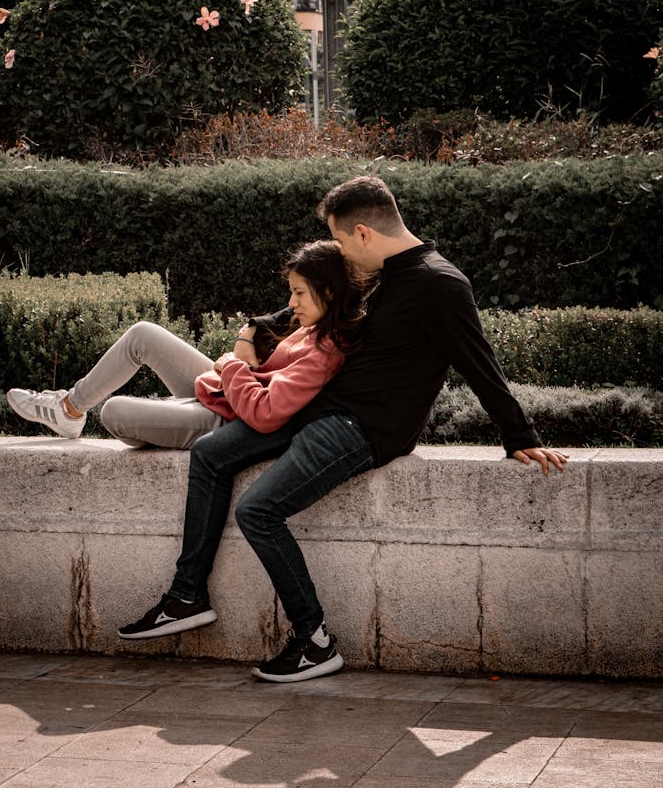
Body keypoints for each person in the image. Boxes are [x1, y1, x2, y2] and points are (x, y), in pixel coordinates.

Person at [118, 176, 568, 683]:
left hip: (361, 428)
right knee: (210, 454)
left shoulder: (440, 284)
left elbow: (480, 364)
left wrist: (520, 437)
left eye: (339, 240)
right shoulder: (375, 275)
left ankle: (313, 641)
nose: (339, 252)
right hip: (318, 408)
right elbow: (306, 307)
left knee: (258, 510)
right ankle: (186, 596)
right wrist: (256, 327)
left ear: (362, 233)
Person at [6, 239, 369, 449]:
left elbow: (265, 413)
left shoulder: (326, 349)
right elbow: (259, 342)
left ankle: (171, 414)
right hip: (222, 393)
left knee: (114, 412)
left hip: (226, 420)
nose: (290, 303)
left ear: (330, 292)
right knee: (143, 333)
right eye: (291, 292)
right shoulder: (313, 322)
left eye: (299, 293)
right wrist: (242, 346)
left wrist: (232, 366)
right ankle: (68, 410)